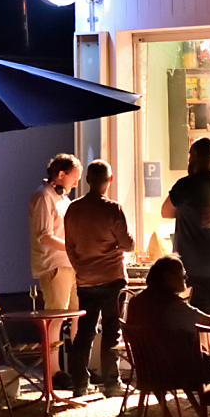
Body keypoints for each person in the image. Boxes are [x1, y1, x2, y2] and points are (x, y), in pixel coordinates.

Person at [64, 159, 135, 398]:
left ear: (87, 180)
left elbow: (70, 247)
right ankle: (112, 384)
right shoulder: (113, 209)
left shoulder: (73, 209)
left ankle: (79, 384)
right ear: (110, 180)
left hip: (85, 280)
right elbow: (128, 244)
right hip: (113, 278)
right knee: (112, 330)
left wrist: (81, 267)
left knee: (84, 332)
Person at [161, 137, 210, 314]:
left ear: (193, 156)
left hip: (194, 270)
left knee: (195, 323)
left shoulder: (186, 185)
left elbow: (165, 212)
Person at [28, 153, 83, 383]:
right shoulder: (43, 198)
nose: (75, 183)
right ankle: (53, 371)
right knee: (56, 318)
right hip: (55, 265)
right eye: (74, 178)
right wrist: (73, 248)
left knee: (77, 315)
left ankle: (79, 367)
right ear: (61, 175)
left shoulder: (62, 199)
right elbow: (44, 236)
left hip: (69, 265)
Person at [125, 254, 210, 376]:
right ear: (168, 277)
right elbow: (207, 321)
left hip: (147, 370)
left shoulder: (136, 301)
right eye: (182, 275)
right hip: (173, 370)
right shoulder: (172, 306)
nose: (186, 278)